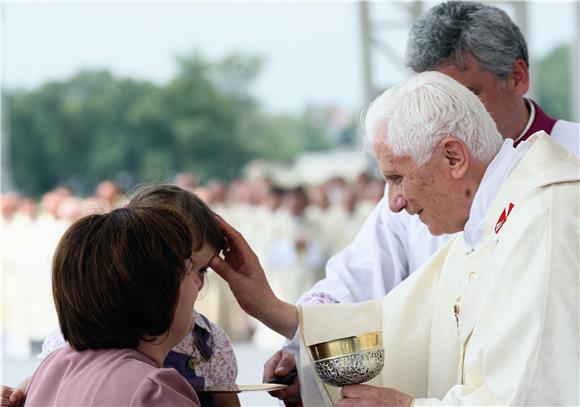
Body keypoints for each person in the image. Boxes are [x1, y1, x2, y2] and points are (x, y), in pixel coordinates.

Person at [262, 2, 580, 404]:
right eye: (430, 94)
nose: (446, 110)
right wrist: (299, 346)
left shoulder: (550, 198)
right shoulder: (430, 181)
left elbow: (536, 383)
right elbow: (388, 306)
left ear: (516, 78)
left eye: (462, 94)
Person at [2, 185, 239, 407]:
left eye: (202, 270)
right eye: (185, 269)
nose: (198, 282)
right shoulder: (152, 391)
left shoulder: (57, 363)